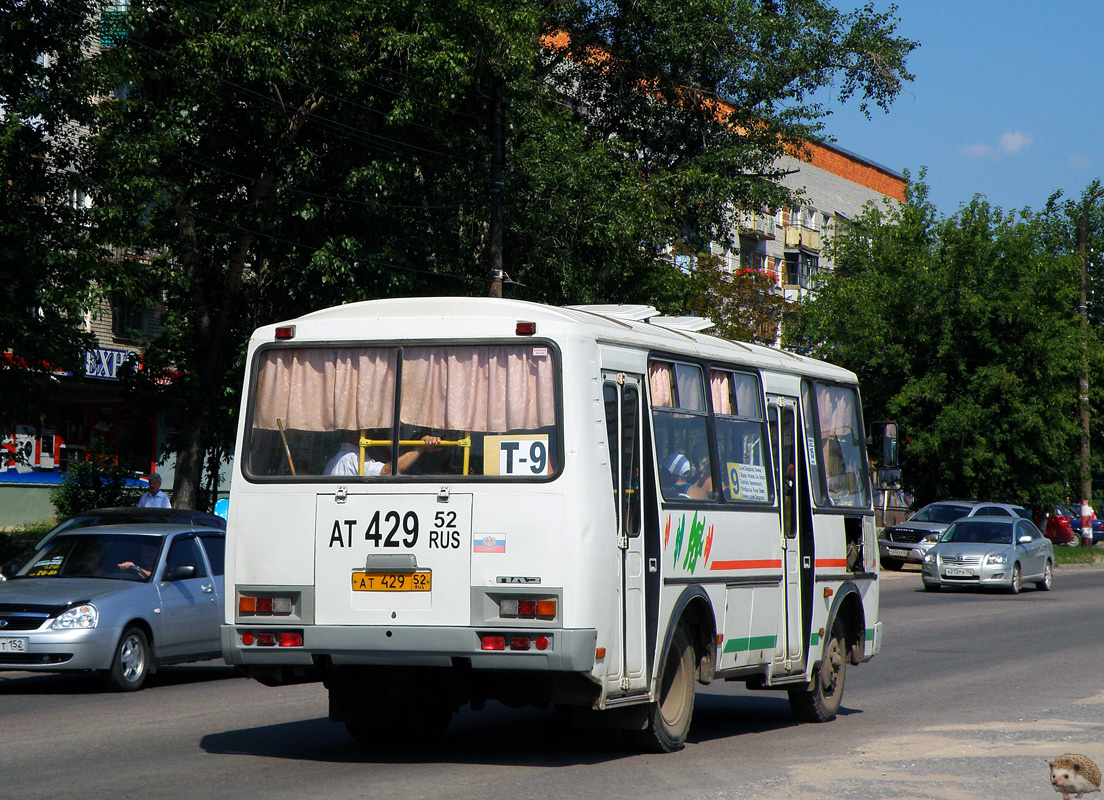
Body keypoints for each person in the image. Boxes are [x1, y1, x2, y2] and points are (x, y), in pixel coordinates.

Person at [324, 434, 442, 476]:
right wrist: (420, 447)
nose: (372, 435)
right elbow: (386, 471)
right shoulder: (351, 458)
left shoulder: (338, 457)